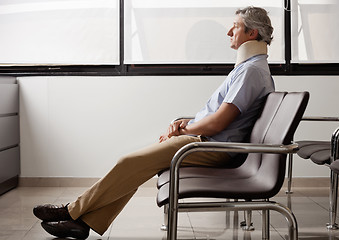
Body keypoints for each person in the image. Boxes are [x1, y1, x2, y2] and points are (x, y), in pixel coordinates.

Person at [33, 6, 274, 239]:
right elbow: (220, 118)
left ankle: (72, 210)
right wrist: (185, 124)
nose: (228, 32)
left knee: (129, 162)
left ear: (252, 33)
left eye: (235, 27)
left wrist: (184, 130)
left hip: (213, 147)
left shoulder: (251, 71)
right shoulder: (249, 68)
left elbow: (218, 124)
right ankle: (83, 223)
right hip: (206, 141)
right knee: (136, 165)